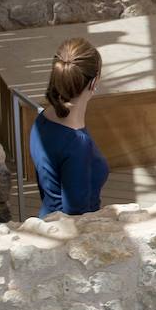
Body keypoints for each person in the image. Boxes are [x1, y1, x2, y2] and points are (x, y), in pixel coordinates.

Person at [29, 38, 110, 217]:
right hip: (72, 228)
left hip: (48, 219)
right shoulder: (77, 144)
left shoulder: (42, 120)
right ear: (94, 82)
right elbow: (77, 214)